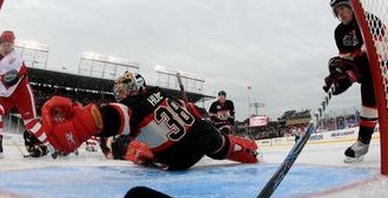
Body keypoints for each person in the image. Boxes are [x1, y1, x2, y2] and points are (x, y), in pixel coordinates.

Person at [41, 71, 260, 170]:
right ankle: (243, 150)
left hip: (175, 159)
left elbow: (113, 116)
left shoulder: (133, 107)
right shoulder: (160, 94)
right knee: (212, 137)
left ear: (136, 84)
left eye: (125, 86)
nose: (122, 91)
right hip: (201, 140)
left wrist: (82, 123)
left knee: (120, 142)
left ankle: (138, 154)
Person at [323, 0, 388, 163]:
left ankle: (363, 142)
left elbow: (373, 53)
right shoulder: (340, 32)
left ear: (351, 6)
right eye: (337, 11)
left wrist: (352, 71)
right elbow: (347, 59)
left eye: (342, 8)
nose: (340, 13)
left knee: (372, 90)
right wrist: (339, 74)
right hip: (373, 68)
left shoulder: (367, 19)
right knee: (374, 94)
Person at [0, 30, 51, 158]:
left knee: (31, 123)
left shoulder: (15, 59)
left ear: (13, 45)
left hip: (21, 92)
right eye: (4, 44)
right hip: (6, 94)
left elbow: (8, 80)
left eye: (9, 45)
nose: (6, 47)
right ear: (0, 44)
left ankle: (50, 145)